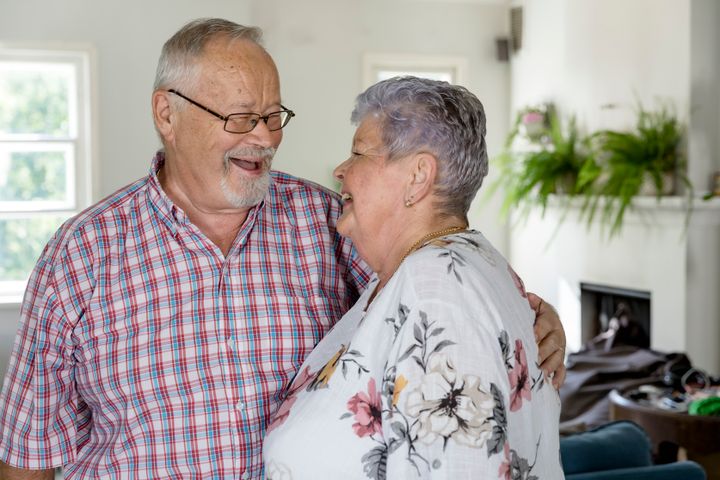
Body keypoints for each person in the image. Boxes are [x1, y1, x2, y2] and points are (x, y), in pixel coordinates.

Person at [0, 19, 565, 479]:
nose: (266, 137)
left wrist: (540, 321)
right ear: (166, 115)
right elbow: (27, 459)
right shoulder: (78, 258)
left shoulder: (328, 221)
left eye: (274, 117)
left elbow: (444, 282)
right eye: (242, 118)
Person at [263, 76, 564, 478]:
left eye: (358, 153)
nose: (340, 170)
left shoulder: (435, 287)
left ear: (418, 176)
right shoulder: (426, 269)